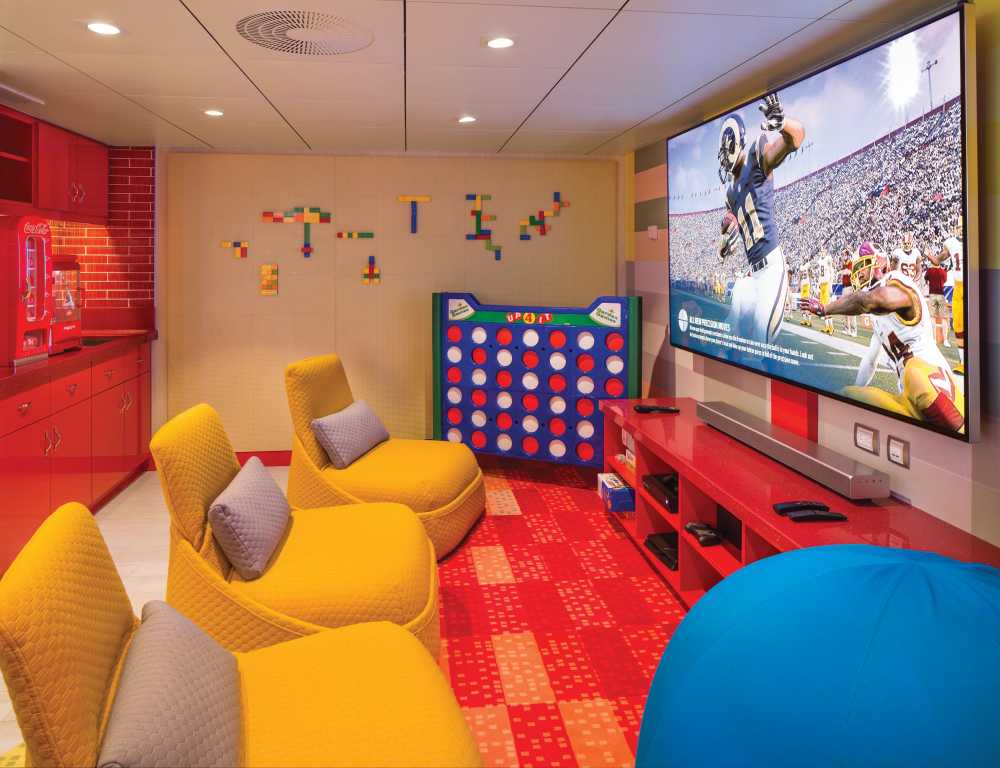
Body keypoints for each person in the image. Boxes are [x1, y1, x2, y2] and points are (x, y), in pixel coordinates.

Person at [799, 242, 964, 433]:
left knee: (914, 373)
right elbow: (870, 361)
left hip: (935, 386)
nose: (858, 273)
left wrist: (825, 308)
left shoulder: (896, 283)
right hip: (908, 397)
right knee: (849, 395)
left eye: (862, 265)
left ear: (878, 263)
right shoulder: (878, 314)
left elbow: (867, 301)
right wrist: (856, 391)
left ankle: (959, 429)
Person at [717, 92, 805, 342]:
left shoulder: (756, 156)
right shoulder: (730, 193)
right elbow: (733, 221)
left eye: (724, 150)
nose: (722, 158)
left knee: (759, 345)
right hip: (751, 275)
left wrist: (783, 123)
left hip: (771, 271)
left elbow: (796, 138)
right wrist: (724, 243)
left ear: (733, 143)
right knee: (729, 332)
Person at [926, 217, 965, 375]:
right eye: (960, 227)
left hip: (974, 283)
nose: (961, 230)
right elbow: (937, 260)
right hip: (958, 287)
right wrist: (929, 255)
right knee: (959, 325)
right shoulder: (951, 243)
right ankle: (963, 362)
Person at [924, 257, 950, 348]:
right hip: (941, 295)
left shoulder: (930, 270)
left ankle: (934, 339)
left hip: (932, 295)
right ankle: (945, 340)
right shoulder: (943, 272)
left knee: (932, 318)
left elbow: (926, 278)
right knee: (944, 318)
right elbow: (945, 280)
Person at [839, 248, 857, 337]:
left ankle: (853, 330)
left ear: (847, 255)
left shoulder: (850, 263)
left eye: (844, 255)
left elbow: (848, 272)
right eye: (842, 255)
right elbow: (843, 272)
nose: (843, 257)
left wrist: (842, 272)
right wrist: (842, 271)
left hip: (850, 287)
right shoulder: (844, 264)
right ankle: (846, 328)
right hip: (844, 287)